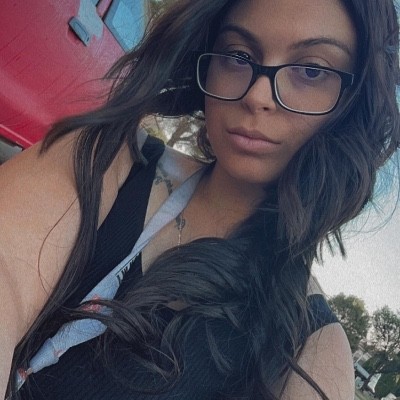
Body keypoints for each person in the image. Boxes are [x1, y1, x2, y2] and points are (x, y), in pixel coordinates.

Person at [1, 0, 399, 398]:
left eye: (311, 70)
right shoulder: (108, 159)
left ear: (353, 104)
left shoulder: (312, 348)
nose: (257, 95)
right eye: (238, 56)